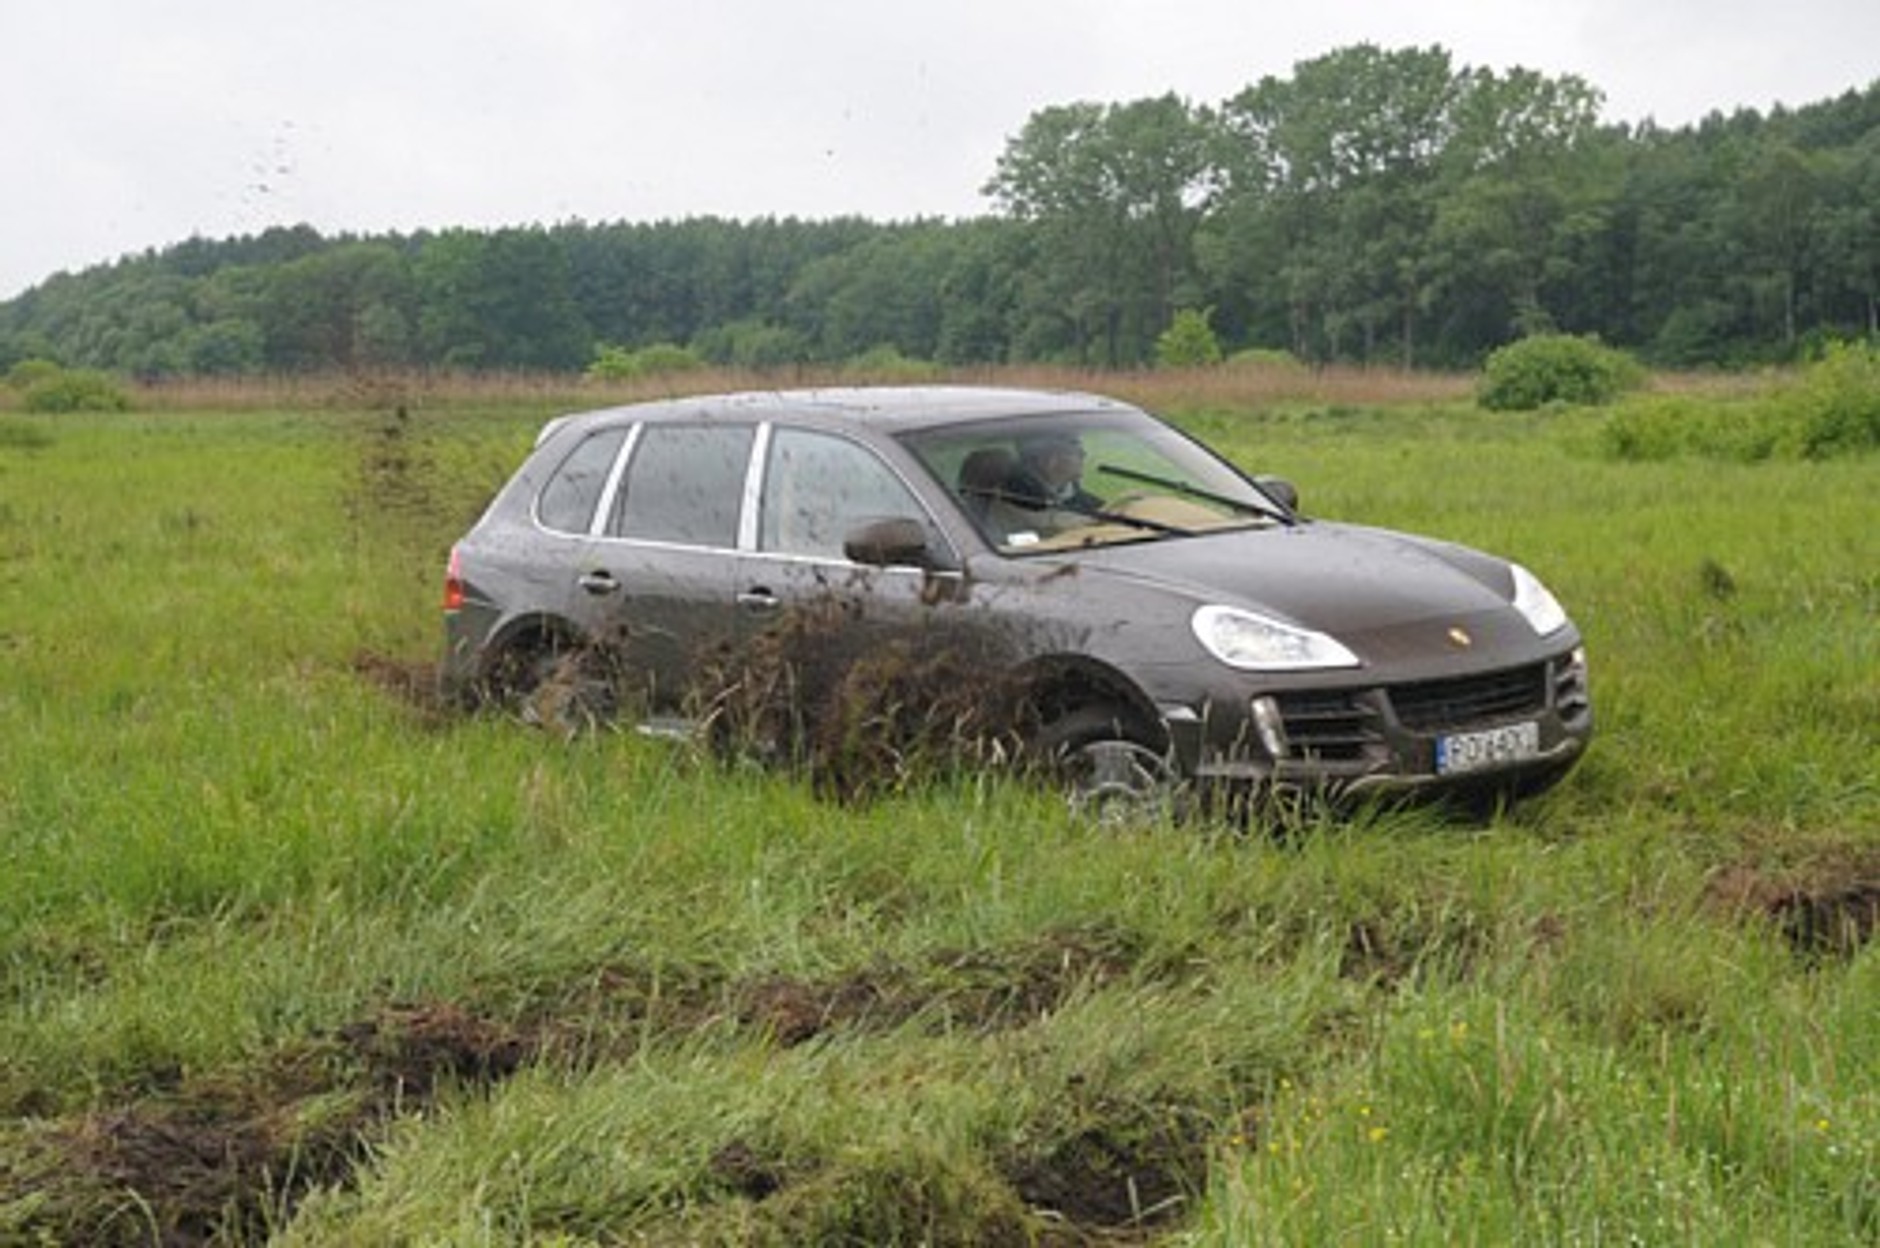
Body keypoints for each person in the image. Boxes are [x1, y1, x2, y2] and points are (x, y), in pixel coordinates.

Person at [1005, 433, 1102, 514]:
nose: (1083, 455)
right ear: (1049, 460)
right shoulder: (1017, 499)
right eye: (1073, 452)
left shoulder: (1087, 502)